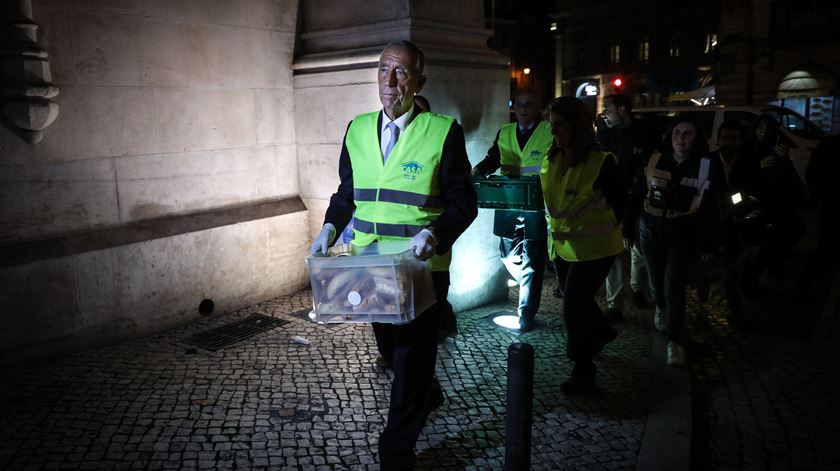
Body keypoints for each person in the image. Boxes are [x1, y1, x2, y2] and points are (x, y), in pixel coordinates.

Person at [309, 40, 477, 470]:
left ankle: (396, 450)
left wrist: (436, 234)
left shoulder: (443, 131)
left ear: (419, 79)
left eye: (401, 71)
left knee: (410, 358)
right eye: (384, 69)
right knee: (390, 351)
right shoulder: (357, 128)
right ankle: (428, 393)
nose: (390, 79)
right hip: (372, 270)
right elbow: (347, 194)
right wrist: (329, 228)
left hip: (422, 269)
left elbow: (464, 202)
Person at [623, 116, 724, 367]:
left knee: (673, 283)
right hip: (652, 230)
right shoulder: (654, 158)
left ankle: (674, 341)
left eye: (687, 133)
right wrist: (627, 229)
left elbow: (713, 207)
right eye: (677, 132)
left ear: (697, 137)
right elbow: (635, 195)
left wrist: (711, 244)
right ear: (670, 134)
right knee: (657, 282)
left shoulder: (708, 165)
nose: (681, 139)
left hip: (685, 232)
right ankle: (661, 306)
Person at [541, 97, 623, 393]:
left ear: (577, 126)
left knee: (573, 305)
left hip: (597, 249)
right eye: (552, 126)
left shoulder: (602, 162)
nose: (554, 132)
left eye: (559, 126)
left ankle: (583, 367)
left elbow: (620, 203)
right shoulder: (551, 158)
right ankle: (601, 331)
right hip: (563, 247)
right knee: (577, 300)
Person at [472, 89, 553, 332]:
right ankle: (528, 281)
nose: (523, 109)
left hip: (536, 204)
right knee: (507, 255)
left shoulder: (549, 132)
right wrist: (479, 170)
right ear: (514, 107)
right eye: (519, 104)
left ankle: (526, 312)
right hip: (507, 202)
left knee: (532, 260)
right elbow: (494, 158)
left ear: (538, 106)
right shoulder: (505, 132)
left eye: (529, 104)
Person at [599, 94, 657, 321]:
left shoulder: (646, 134)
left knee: (640, 249)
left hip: (641, 200)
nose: (605, 113)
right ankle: (615, 304)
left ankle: (641, 290)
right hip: (612, 201)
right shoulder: (605, 136)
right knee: (612, 252)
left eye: (608, 109)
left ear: (623, 109)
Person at [741, 114, 806, 296]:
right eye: (760, 128)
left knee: (792, 231)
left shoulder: (775, 150)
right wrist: (759, 167)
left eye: (768, 129)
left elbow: (787, 180)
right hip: (752, 204)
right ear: (754, 130)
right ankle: (750, 277)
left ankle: (767, 266)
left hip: (775, 203)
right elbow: (742, 179)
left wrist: (783, 159)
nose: (763, 132)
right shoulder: (747, 150)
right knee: (768, 241)